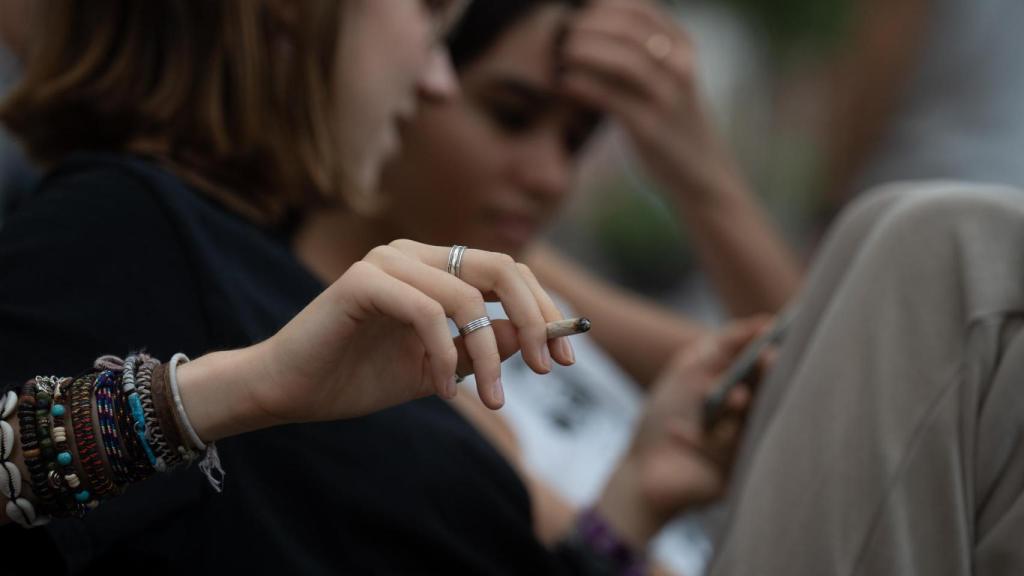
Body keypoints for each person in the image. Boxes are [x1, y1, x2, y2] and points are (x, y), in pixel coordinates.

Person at [0, 1, 756, 574]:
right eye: (428, 12)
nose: (434, 77)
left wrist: (627, 512)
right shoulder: (116, 229)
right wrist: (238, 391)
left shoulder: (255, 262)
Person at [294, 0, 797, 571]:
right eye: (511, 116)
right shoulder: (358, 344)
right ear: (416, 74)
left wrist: (698, 168)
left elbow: (804, 371)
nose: (550, 177)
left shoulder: (500, 258)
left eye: (577, 140)